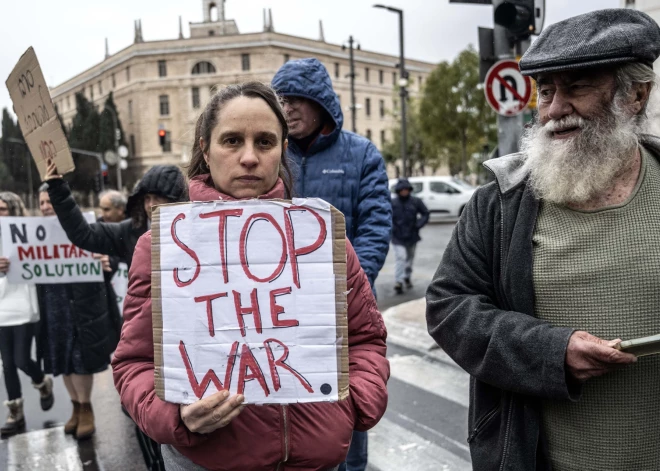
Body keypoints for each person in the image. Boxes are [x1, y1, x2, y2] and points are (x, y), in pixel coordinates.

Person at [426, 9, 660, 471]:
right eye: (547, 91)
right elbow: (449, 307)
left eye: (575, 87)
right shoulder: (500, 201)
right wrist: (550, 352)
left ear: (635, 94)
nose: (555, 110)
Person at [112, 82, 389, 471]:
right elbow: (133, 364)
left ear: (282, 150)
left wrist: (355, 404)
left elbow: (365, 340)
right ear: (205, 151)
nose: (248, 157)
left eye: (264, 142)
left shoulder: (322, 238)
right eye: (231, 141)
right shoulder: (162, 246)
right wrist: (177, 417)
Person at [272, 57, 392, 471]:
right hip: (279, 314)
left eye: (296, 100)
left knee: (344, 413)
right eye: (281, 100)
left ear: (320, 102)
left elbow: (376, 228)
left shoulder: (361, 154)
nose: (287, 109)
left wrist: (346, 290)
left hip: (343, 313)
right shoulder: (270, 155)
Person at [34, 185, 116, 440]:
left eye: (50, 201)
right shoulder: (32, 235)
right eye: (42, 203)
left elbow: (110, 255)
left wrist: (107, 263)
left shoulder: (84, 227)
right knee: (62, 359)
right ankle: (75, 406)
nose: (46, 206)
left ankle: (86, 407)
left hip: (81, 305)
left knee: (80, 360)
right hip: (52, 304)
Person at [45, 164, 188, 269]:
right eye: (147, 198)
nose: (150, 205)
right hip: (147, 311)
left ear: (175, 200)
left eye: (157, 198)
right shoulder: (129, 232)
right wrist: (58, 189)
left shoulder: (194, 231)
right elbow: (83, 234)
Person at [0, 192, 54, 438]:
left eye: (3, 209)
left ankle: (42, 383)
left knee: (21, 359)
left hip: (23, 305)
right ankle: (16, 413)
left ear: (14, 210)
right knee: (8, 364)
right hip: (1, 308)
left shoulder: (27, 234)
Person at [391, 179, 429, 295]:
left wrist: (418, 225)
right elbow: (386, 216)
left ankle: (407, 276)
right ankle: (399, 281)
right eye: (401, 189)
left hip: (412, 236)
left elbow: (425, 213)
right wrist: (392, 228)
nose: (404, 191)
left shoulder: (416, 201)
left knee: (409, 259)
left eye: (406, 189)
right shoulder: (392, 203)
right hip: (397, 237)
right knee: (401, 257)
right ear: (398, 191)